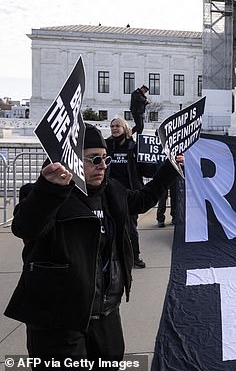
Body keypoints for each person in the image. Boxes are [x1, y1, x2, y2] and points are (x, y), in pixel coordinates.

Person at [5, 124, 182, 365]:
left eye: (105, 159)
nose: (102, 165)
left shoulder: (111, 191)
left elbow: (141, 200)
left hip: (106, 312)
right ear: (70, 161)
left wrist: (170, 169)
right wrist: (49, 190)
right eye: (94, 159)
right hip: (58, 319)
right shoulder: (44, 194)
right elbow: (25, 228)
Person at [106, 117, 157, 268]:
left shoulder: (134, 147)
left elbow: (147, 170)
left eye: (117, 126)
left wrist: (156, 164)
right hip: (109, 193)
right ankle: (112, 257)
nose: (114, 129)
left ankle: (134, 257)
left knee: (130, 228)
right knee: (110, 226)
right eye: (112, 126)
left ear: (125, 128)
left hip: (130, 194)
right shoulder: (106, 145)